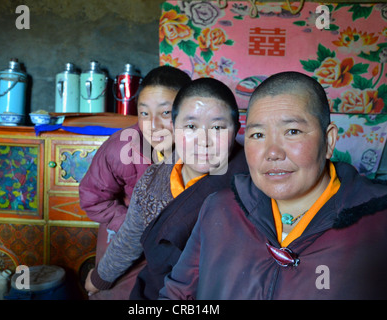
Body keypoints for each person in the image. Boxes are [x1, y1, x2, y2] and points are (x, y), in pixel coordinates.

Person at [159, 71, 387, 300]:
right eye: (258, 135)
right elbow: (176, 295)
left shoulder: (378, 221)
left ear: (328, 141)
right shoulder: (220, 208)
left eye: (293, 132)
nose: (272, 153)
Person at [85, 78, 248, 299]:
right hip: (155, 288)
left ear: (236, 129)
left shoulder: (250, 183)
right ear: (175, 125)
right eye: (190, 126)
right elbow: (131, 237)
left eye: (218, 127)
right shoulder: (154, 179)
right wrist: (100, 277)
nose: (204, 140)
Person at [79, 65, 191, 300]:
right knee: (114, 292)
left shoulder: (199, 149)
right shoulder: (121, 148)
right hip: (124, 231)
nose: (153, 125)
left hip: (173, 237)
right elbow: (92, 198)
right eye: (144, 113)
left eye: (166, 113)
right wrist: (134, 226)